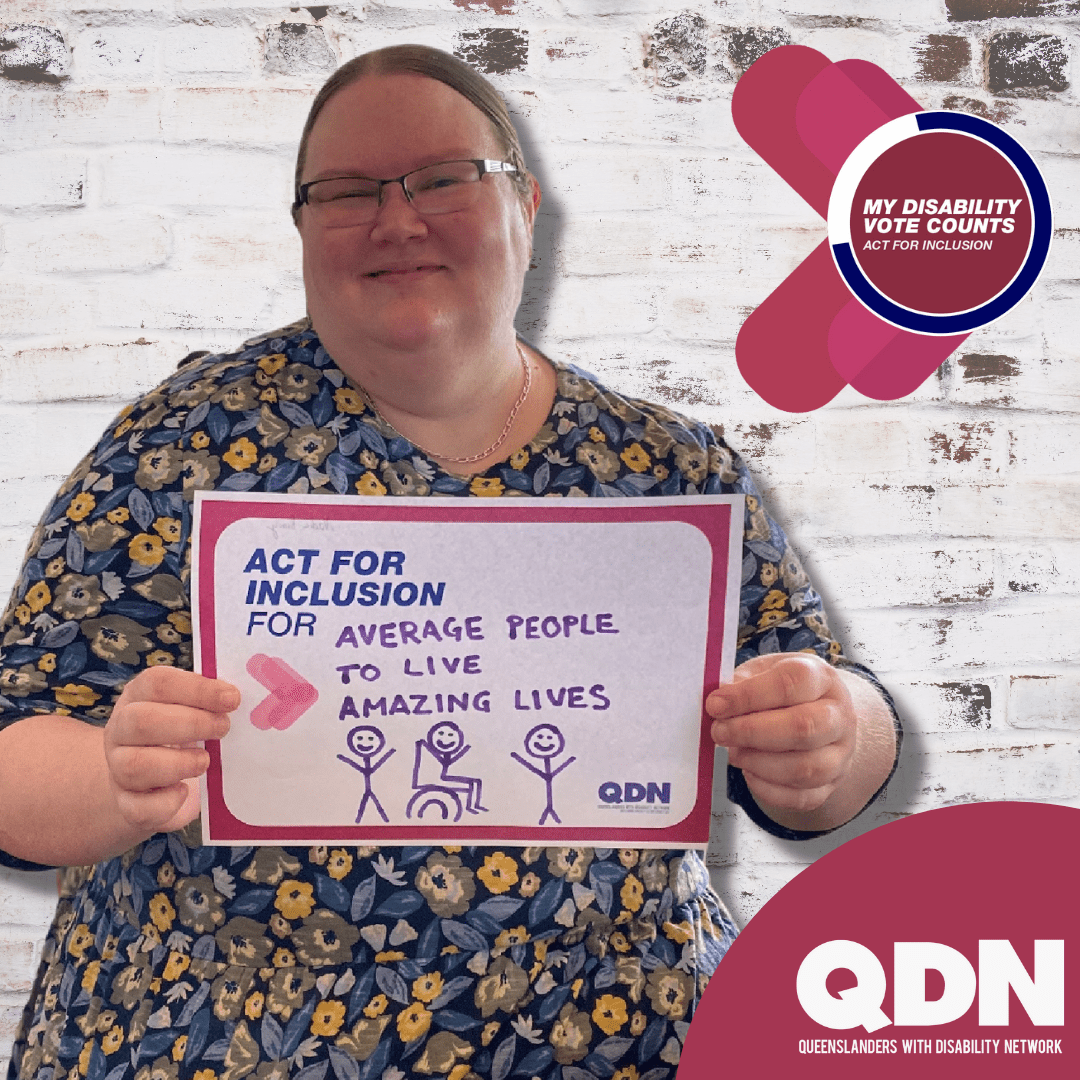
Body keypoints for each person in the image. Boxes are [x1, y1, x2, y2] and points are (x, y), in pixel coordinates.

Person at [0, 45, 900, 1080]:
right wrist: (117, 778)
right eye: (346, 192)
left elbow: (830, 738)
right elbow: (13, 756)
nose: (396, 219)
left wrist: (832, 735)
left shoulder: (669, 469)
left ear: (525, 206)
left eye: (441, 180)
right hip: (228, 1042)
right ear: (300, 230)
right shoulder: (178, 446)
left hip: (617, 1042)